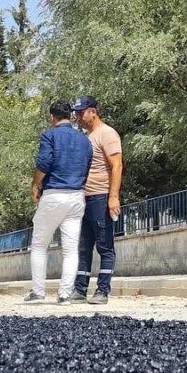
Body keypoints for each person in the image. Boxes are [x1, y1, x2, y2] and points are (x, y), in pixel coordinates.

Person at [24, 100, 92, 303]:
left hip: (54, 194)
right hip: (76, 196)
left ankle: (38, 291)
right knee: (71, 249)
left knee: (39, 244)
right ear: (70, 116)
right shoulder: (84, 140)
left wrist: (35, 185)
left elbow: (44, 162)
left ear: (52, 117)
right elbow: (87, 166)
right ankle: (64, 294)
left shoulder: (50, 135)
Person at [72, 95, 124, 305]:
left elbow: (117, 166)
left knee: (104, 245)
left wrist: (113, 196)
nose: (78, 117)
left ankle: (103, 290)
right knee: (84, 246)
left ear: (93, 111)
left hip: (101, 197)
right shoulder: (89, 136)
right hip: (84, 198)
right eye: (76, 113)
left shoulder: (107, 134)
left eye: (81, 112)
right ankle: (80, 289)